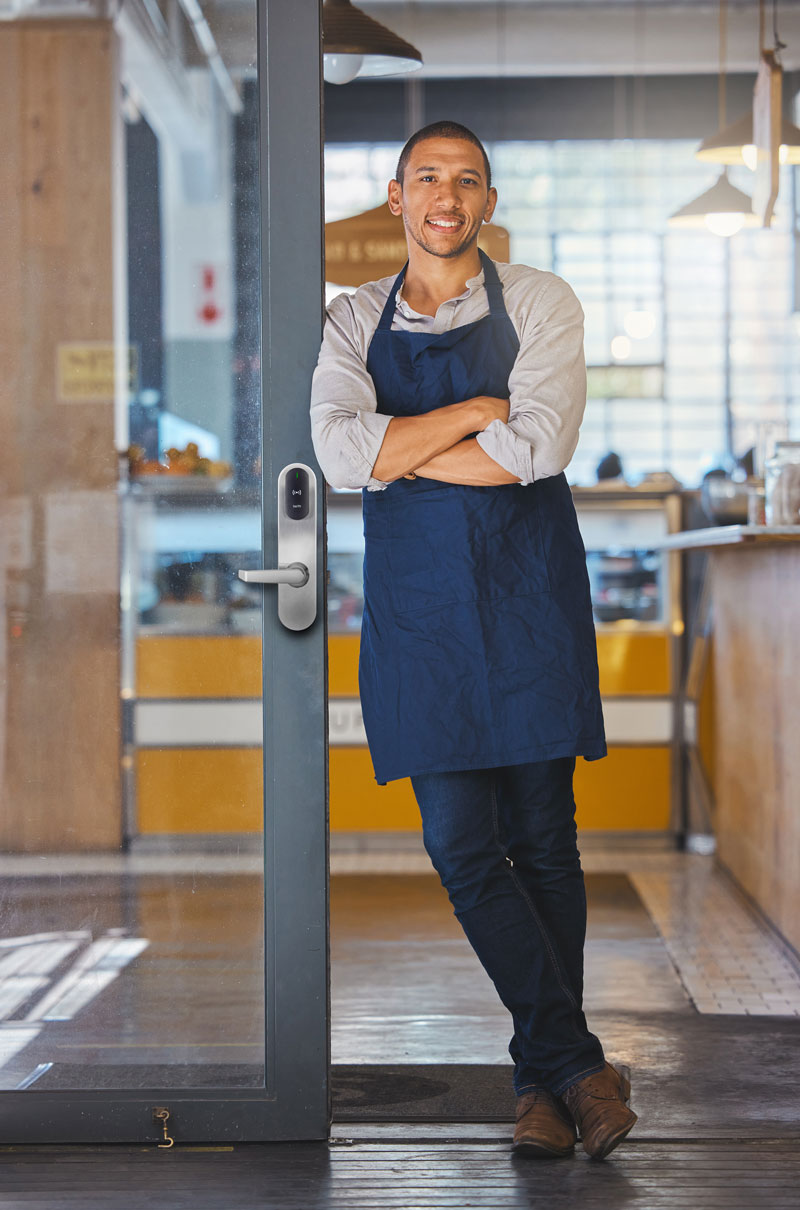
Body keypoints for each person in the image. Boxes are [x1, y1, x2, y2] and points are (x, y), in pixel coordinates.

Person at [310, 120, 637, 1160]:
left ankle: (538, 1090)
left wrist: (407, 450)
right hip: (421, 620)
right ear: (394, 199)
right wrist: (471, 413)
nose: (445, 197)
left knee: (542, 841)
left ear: (485, 202)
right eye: (426, 180)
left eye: (465, 181)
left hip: (528, 595)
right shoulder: (350, 317)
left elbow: (532, 448)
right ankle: (576, 1062)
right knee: (460, 844)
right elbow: (337, 449)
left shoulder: (540, 300)